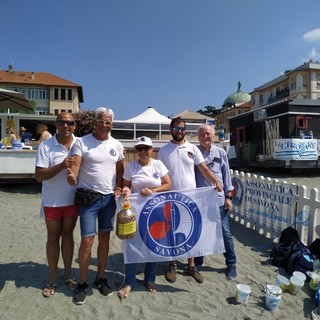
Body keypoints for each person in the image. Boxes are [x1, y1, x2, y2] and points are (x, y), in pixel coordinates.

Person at [67, 107, 124, 305]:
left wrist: (119, 187)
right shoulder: (82, 142)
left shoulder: (116, 144)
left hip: (108, 200)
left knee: (105, 238)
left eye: (108, 122)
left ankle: (100, 278)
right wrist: (72, 175)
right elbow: (75, 165)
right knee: (87, 241)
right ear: (94, 122)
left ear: (112, 124)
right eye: (101, 121)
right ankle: (83, 282)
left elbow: (120, 171)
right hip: (88, 200)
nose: (104, 124)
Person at [158, 117, 223, 284]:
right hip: (170, 198)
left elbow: (203, 169)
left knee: (191, 232)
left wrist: (215, 181)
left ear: (185, 130)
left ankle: (191, 266)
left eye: (182, 129)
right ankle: (172, 264)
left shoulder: (193, 148)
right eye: (176, 129)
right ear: (170, 130)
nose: (179, 132)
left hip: (191, 198)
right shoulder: (163, 151)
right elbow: (159, 177)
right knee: (171, 232)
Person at [118, 136, 171, 299]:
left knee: (152, 245)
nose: (142, 151)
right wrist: (126, 190)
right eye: (139, 148)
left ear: (151, 149)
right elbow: (125, 185)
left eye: (145, 148)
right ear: (135, 151)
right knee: (132, 246)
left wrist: (153, 190)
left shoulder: (158, 164)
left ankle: (150, 278)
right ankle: (129, 282)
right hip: (136, 211)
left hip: (156, 211)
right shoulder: (131, 167)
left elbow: (168, 184)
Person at [35, 111, 79, 297]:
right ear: (56, 124)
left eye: (69, 122)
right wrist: (61, 166)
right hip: (52, 201)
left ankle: (68, 275)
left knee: (68, 236)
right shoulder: (46, 146)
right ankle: (53, 278)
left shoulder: (80, 143)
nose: (66, 126)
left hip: (73, 199)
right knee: (53, 237)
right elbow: (39, 175)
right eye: (62, 122)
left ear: (75, 125)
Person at [194, 124, 237, 280]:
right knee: (199, 232)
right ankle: (198, 261)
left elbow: (226, 177)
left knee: (225, 233)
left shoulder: (220, 152)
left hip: (218, 200)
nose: (206, 137)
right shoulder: (194, 152)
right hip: (199, 201)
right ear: (198, 137)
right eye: (202, 134)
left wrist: (229, 197)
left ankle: (231, 264)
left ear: (213, 136)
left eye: (208, 134)